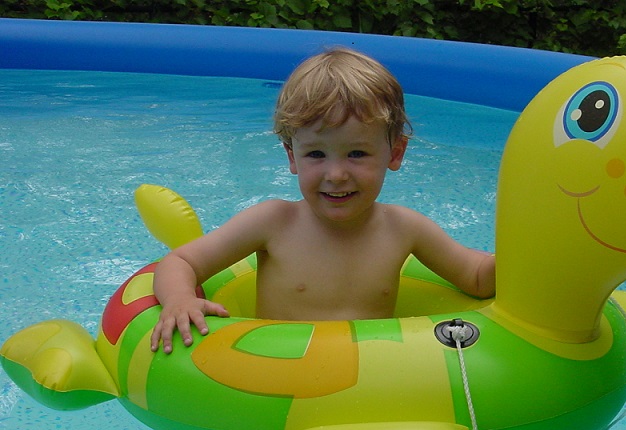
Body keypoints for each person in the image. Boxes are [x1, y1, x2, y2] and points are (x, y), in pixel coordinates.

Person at [150, 47, 496, 354]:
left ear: (395, 153)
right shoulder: (272, 223)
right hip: (280, 376)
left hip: (369, 379)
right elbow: (180, 262)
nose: (336, 174)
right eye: (316, 154)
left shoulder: (405, 228)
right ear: (291, 157)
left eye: (357, 153)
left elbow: (477, 278)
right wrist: (181, 300)